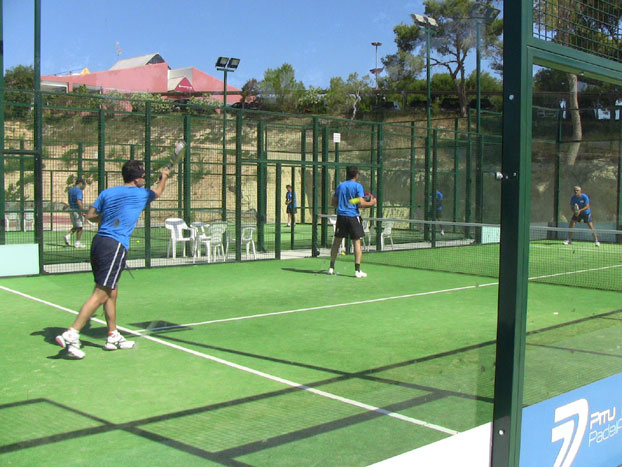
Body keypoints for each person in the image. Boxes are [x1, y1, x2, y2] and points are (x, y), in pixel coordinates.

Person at [56, 161, 171, 359]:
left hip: (99, 243)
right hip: (114, 245)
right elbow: (158, 192)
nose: (144, 179)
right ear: (137, 179)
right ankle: (72, 333)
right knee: (101, 293)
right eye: (143, 176)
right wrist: (164, 177)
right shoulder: (141, 194)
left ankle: (112, 335)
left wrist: (107, 218)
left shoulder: (107, 193)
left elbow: (91, 215)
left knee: (111, 291)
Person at [327, 166, 377, 278]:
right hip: (353, 218)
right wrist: (372, 203)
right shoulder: (358, 186)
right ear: (357, 175)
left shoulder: (340, 186)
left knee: (337, 242)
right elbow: (362, 204)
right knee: (357, 243)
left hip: (341, 217)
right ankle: (357, 271)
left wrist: (345, 203)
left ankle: (331, 268)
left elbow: (333, 203)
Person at [65, 178, 87, 248]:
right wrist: (82, 211)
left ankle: (68, 236)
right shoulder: (79, 191)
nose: (84, 187)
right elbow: (79, 201)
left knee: (76, 225)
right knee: (80, 227)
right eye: (83, 185)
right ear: (81, 183)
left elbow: (69, 200)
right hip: (77, 210)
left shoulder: (70, 190)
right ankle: (77, 243)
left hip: (71, 209)